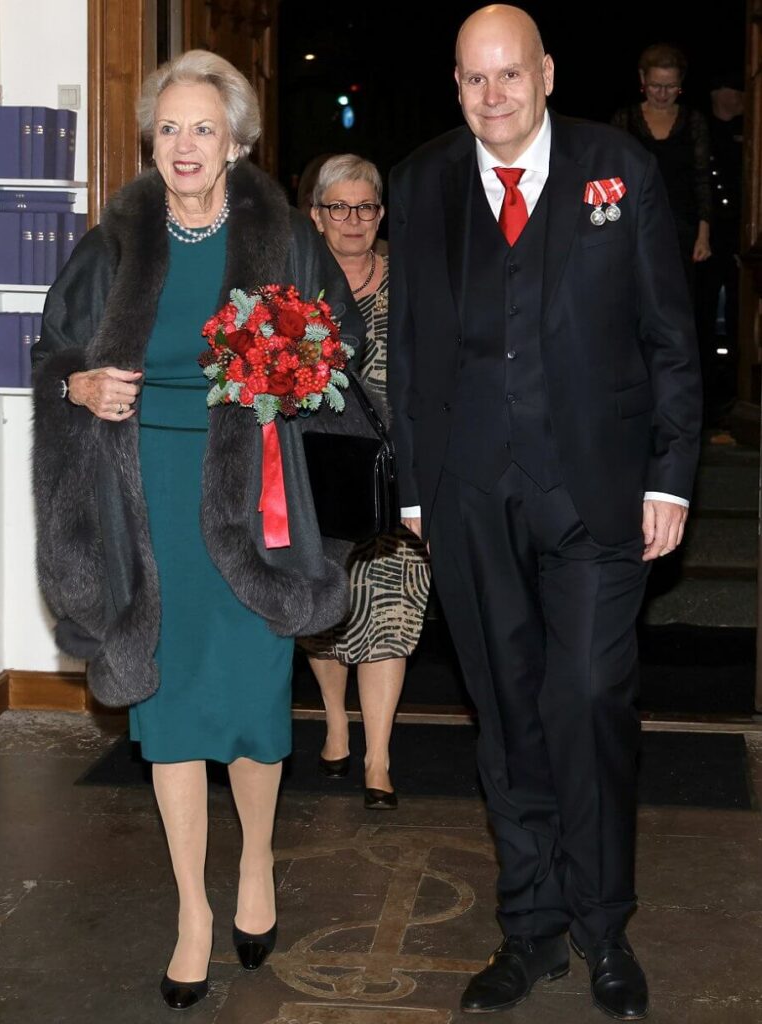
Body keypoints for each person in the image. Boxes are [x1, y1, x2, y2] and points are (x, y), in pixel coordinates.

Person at [31, 50, 364, 1011]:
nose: (184, 146)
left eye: (203, 129)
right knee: (166, 703)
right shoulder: (116, 241)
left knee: (256, 707)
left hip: (251, 500)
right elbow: (55, 352)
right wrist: (79, 384)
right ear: (153, 141)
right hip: (144, 499)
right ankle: (192, 910)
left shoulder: (288, 239)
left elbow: (336, 345)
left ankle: (256, 860)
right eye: (169, 128)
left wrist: (293, 377)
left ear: (237, 143)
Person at [388, 6, 701, 1020]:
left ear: (546, 73)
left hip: (598, 497)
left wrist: (669, 474)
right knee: (506, 719)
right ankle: (529, 929)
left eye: (509, 75)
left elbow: (666, 332)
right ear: (455, 84)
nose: (492, 96)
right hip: (468, 500)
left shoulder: (618, 169)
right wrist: (415, 487)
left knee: (585, 699)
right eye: (474, 79)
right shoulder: (423, 179)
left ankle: (601, 926)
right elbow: (408, 348)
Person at [299, 154, 431, 809]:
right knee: (323, 611)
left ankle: (378, 758)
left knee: (393, 608)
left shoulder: (412, 282)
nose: (353, 220)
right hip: (311, 472)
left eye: (366, 207)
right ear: (316, 214)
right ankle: (335, 721)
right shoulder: (292, 286)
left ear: (381, 214)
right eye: (338, 207)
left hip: (393, 473)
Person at [611, 43, 712, 294]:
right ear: (642, 78)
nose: (663, 93)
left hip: (682, 230)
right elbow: (611, 178)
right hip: (634, 227)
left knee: (679, 300)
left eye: (671, 86)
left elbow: (702, 180)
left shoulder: (694, 121)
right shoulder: (624, 120)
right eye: (656, 85)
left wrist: (704, 235)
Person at [697, 69, 744, 419]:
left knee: (740, 312)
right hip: (709, 237)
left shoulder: (750, 128)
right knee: (703, 310)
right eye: (735, 87)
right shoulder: (702, 129)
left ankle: (736, 389)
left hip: (742, 236)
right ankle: (709, 392)